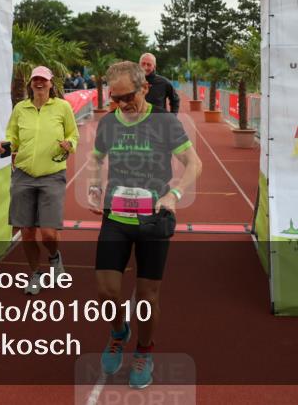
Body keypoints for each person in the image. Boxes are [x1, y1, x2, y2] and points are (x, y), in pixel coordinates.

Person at [87, 61, 202, 389]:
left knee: (148, 296)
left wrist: (175, 195)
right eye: (116, 98)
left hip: (154, 219)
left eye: (127, 97)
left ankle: (144, 351)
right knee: (106, 291)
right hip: (116, 218)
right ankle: (118, 331)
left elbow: (195, 163)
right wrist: (95, 187)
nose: (122, 104)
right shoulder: (110, 123)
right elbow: (95, 158)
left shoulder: (165, 122)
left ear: (145, 88)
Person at [0, 66, 78, 295]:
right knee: (27, 230)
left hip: (52, 174)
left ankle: (54, 257)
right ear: (30, 84)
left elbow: (73, 134)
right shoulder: (20, 108)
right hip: (23, 174)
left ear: (51, 84)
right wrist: (7, 145)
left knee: (49, 233)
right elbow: (12, 135)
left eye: (43, 80)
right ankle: (35, 274)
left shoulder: (62, 107)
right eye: (35, 80)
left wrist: (69, 144)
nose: (39, 83)